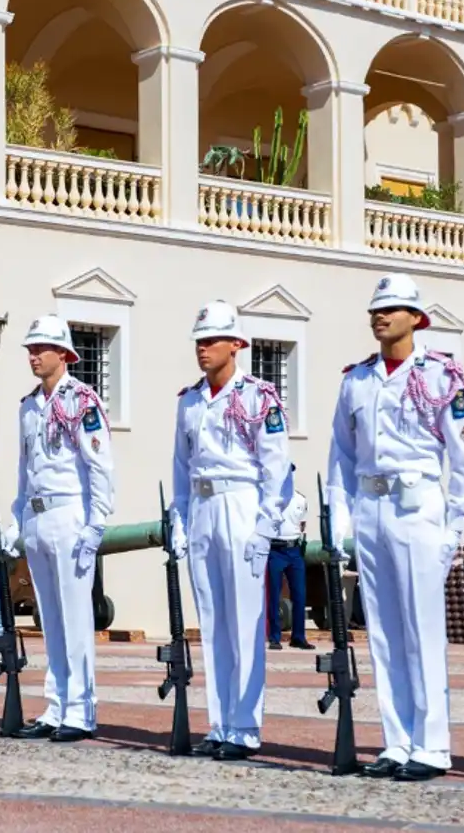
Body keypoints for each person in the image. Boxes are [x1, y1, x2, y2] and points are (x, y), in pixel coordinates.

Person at [326, 273, 464, 782]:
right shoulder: (357, 379)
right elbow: (342, 459)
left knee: (421, 631)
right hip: (371, 509)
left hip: (418, 510)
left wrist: (454, 529)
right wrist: (340, 524)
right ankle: (396, 740)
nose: (380, 316)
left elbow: (463, 460)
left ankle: (432, 744)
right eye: (375, 309)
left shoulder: (442, 376)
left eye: (390, 308)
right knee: (384, 633)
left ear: (417, 318)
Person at [170, 300, 290, 761]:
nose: (203, 349)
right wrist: (179, 518)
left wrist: (265, 525)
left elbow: (276, 469)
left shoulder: (259, 396)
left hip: (241, 503)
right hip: (202, 506)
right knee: (214, 623)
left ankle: (244, 725)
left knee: (243, 624)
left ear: (236, 345)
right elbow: (181, 467)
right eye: (199, 341)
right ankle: (219, 723)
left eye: (213, 341)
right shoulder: (189, 400)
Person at [9, 315, 116, 742]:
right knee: (49, 618)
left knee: (75, 617)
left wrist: (97, 522)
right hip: (37, 514)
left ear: (64, 354)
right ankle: (56, 706)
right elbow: (25, 468)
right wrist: (18, 515)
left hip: (70, 512)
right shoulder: (28, 404)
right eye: (30, 349)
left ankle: (81, 708)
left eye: (41, 348)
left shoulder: (83, 401)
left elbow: (100, 466)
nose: (34, 355)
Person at [264, 468, 313, 651]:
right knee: (274, 595)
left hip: (294, 549)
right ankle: (275, 637)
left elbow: (302, 523)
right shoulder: (271, 498)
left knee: (299, 594)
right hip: (275, 549)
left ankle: (298, 636)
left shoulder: (301, 499)